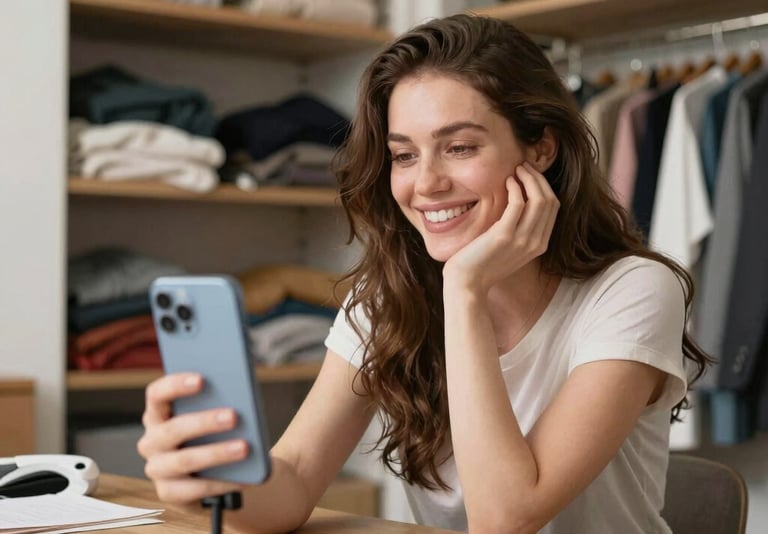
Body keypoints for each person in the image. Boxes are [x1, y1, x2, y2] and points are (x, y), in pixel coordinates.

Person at [137, 13, 711, 534]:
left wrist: (464, 290)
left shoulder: (631, 291)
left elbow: (504, 518)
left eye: (459, 147)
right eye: (405, 155)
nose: (426, 184)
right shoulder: (385, 298)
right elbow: (295, 478)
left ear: (540, 150)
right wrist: (221, 478)